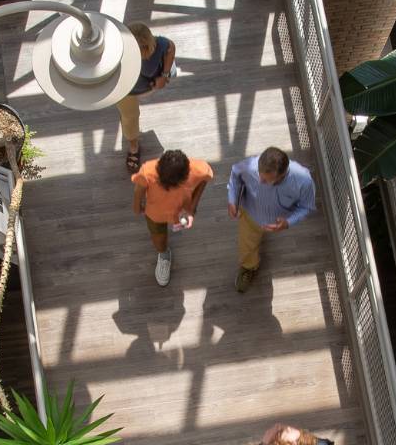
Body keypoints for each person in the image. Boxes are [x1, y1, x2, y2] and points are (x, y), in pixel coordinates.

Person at [225, 146, 316, 293]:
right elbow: (235, 174)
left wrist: (288, 222)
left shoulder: (304, 181)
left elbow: (306, 207)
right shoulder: (251, 166)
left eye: (266, 180)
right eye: (259, 175)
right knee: (247, 246)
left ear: (282, 175)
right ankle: (249, 266)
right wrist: (232, 199)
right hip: (250, 215)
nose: (260, 181)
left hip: (276, 221)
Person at [130, 148, 212, 286]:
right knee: (159, 240)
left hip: (180, 213)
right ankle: (163, 254)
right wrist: (137, 208)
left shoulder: (199, 168)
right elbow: (138, 190)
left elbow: (205, 178)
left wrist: (192, 208)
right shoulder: (147, 171)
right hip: (155, 214)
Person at [116, 23, 175, 174]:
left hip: (146, 87)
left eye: (147, 48)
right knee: (130, 117)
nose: (145, 53)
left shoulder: (159, 44)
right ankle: (134, 147)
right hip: (125, 91)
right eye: (139, 49)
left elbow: (170, 46)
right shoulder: (118, 52)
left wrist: (165, 75)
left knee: (128, 116)